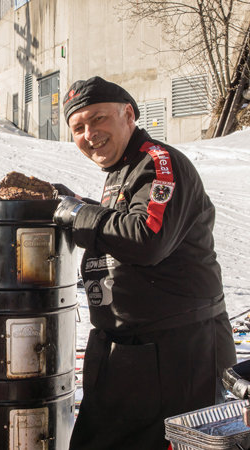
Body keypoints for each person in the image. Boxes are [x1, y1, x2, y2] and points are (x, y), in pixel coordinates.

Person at [52, 76, 236, 450]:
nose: (90, 133)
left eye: (99, 119)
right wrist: (77, 204)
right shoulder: (123, 170)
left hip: (176, 353)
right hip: (131, 351)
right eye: (79, 127)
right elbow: (122, 220)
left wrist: (79, 214)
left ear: (129, 115)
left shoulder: (159, 162)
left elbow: (147, 237)